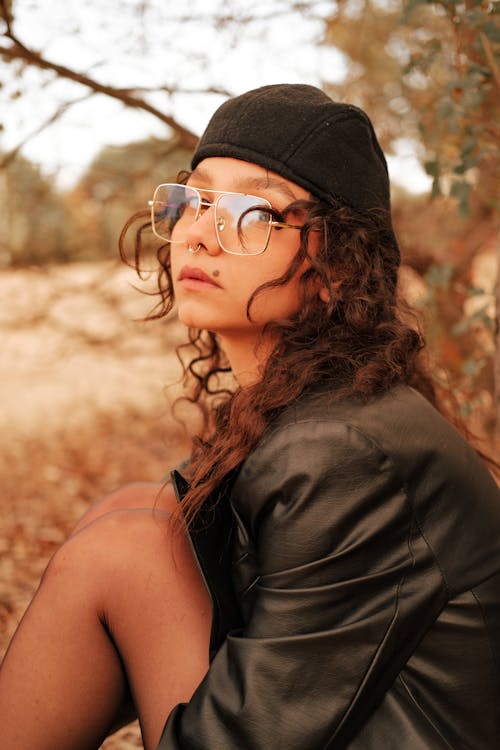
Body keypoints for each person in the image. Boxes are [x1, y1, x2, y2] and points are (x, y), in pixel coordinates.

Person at [0, 83, 499, 750]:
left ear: (338, 265)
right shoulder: (310, 408)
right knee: (138, 521)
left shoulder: (343, 449)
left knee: (125, 551)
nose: (199, 234)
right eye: (196, 200)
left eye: (251, 213)